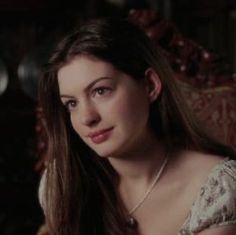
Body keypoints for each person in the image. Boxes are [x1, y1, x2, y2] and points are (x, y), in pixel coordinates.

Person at [38, 17, 236, 235]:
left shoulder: (217, 189)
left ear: (150, 86)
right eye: (71, 103)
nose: (87, 118)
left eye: (101, 91)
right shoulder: (62, 183)